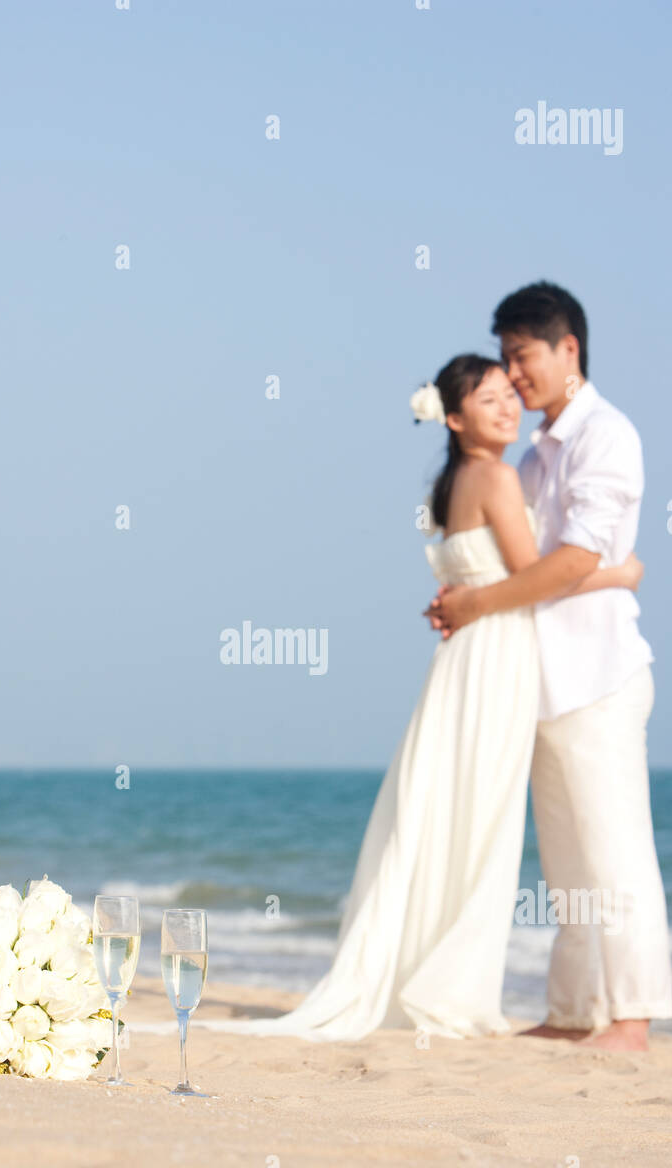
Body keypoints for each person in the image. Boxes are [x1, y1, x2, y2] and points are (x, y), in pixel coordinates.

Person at [189, 352, 642, 1042]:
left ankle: (429, 970)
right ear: (456, 418)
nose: (507, 406)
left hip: (468, 661)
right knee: (481, 820)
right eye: (489, 400)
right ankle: (450, 986)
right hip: (494, 660)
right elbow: (536, 575)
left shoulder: (455, 480)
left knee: (449, 812)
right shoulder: (495, 473)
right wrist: (621, 573)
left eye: (507, 395)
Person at [429, 283, 672, 1051]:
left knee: (616, 850)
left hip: (599, 674)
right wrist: (467, 597)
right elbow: (525, 563)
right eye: (505, 358)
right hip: (538, 680)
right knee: (568, 864)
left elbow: (571, 562)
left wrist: (480, 602)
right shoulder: (533, 455)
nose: (515, 374)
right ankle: (574, 1014)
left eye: (523, 355)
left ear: (568, 350)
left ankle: (631, 1019)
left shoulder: (609, 436)